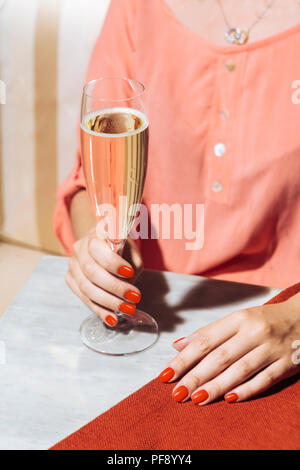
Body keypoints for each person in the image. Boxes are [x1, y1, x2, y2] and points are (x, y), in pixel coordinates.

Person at [54, 0, 300, 405]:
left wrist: (295, 322)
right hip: (154, 318)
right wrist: (99, 250)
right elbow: (89, 181)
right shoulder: (136, 8)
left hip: (282, 337)